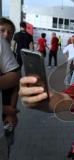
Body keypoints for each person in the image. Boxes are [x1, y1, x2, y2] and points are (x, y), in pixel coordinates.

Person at [0, 17, 20, 154]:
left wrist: (11, 110)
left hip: (6, 112)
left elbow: (15, 85)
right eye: (2, 31)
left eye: (10, 32)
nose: (6, 35)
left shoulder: (11, 54)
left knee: (6, 144)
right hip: (3, 107)